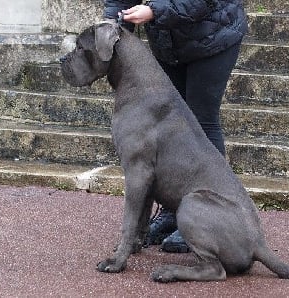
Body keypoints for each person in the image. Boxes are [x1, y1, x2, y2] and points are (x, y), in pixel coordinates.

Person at [103, 0, 248, 253]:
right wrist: (110, 22)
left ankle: (209, 215)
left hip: (213, 33)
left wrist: (155, 11)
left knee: (202, 122)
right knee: (170, 127)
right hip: (169, 40)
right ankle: (173, 212)